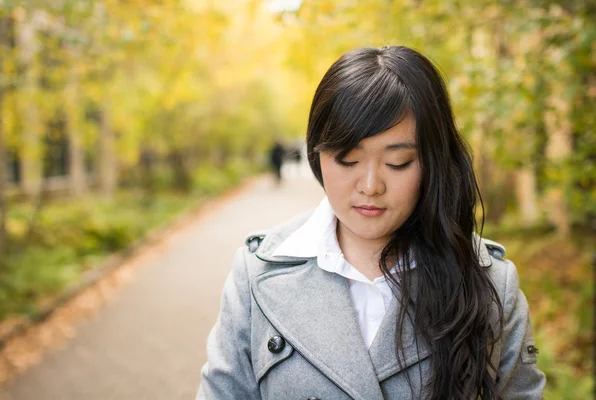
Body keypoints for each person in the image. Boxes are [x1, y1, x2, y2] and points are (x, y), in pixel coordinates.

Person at [197, 46, 545, 399]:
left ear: (433, 163)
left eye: (398, 162)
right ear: (317, 154)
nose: (370, 186)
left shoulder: (489, 284)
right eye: (347, 159)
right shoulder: (257, 273)